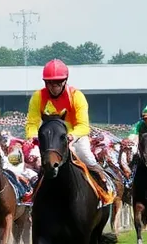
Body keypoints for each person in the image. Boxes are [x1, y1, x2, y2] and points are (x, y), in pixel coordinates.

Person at [24, 60, 112, 195]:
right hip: (50, 139)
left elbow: (83, 125)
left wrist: (71, 136)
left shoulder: (76, 96)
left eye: (58, 83)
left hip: (73, 137)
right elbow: (32, 123)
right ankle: (31, 194)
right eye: (50, 83)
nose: (54, 87)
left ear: (65, 81)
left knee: (86, 156)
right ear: (45, 83)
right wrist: (32, 136)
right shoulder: (38, 97)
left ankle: (103, 184)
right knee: (32, 161)